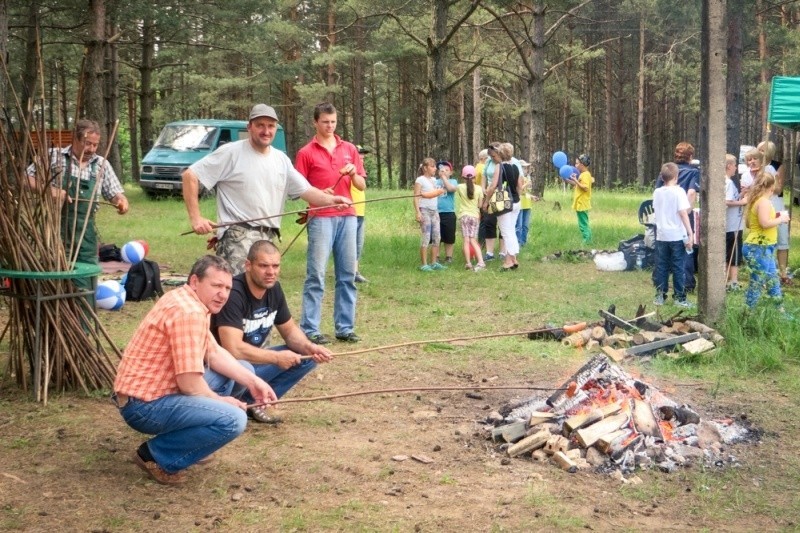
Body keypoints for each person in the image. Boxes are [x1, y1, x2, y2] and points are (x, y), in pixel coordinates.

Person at [113, 255, 276, 485]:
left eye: (227, 287)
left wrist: (254, 382)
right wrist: (223, 402)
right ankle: (156, 456)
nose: (223, 294)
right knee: (234, 419)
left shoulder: (190, 300)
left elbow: (214, 353)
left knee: (243, 370)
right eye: (216, 285)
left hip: (153, 393)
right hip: (143, 406)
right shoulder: (188, 312)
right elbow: (189, 384)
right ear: (194, 281)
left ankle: (193, 437)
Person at [182, 104, 351, 275]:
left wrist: (333, 200)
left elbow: (306, 191)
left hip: (267, 238)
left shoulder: (280, 159)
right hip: (237, 238)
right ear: (249, 127)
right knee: (236, 295)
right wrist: (196, 218)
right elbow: (190, 175)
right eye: (260, 125)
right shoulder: (231, 152)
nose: (266, 131)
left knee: (260, 296)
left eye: (270, 126)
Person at [212, 240, 333, 424]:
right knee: (247, 366)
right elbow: (233, 349)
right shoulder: (234, 293)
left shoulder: (273, 289)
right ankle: (232, 403)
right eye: (263, 266)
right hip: (225, 370)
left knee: (304, 357)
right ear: (248, 265)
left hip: (251, 365)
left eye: (275, 266)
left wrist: (310, 347)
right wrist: (276, 358)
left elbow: (290, 331)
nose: (271, 272)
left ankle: (255, 403)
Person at [294, 103, 366, 344]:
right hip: (321, 217)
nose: (330, 126)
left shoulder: (348, 149)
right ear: (315, 122)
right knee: (316, 274)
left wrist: (353, 172)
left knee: (347, 273)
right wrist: (319, 193)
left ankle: (345, 327)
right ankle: (310, 328)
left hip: (347, 216)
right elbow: (299, 188)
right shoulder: (306, 152)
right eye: (325, 121)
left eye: (333, 121)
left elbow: (361, 186)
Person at [26, 119, 129, 287]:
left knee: (87, 277)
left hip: (86, 235)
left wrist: (122, 203)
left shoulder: (102, 164)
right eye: (88, 144)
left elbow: (116, 195)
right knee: (57, 276)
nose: (92, 149)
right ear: (76, 139)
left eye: (95, 145)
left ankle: (84, 312)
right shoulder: (54, 156)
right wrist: (49, 190)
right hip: (56, 232)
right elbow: (26, 178)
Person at [654, 142, 701, 292]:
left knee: (663, 253)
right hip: (682, 214)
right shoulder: (694, 172)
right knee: (685, 250)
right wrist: (686, 210)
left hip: (664, 218)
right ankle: (686, 284)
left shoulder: (666, 171)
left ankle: (659, 283)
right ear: (691, 157)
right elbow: (692, 193)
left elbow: (657, 192)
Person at [742, 173, 791, 309]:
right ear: (772, 186)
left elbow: (753, 223)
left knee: (772, 281)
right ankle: (748, 313)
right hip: (758, 247)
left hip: (764, 247)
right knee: (757, 282)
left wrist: (776, 216)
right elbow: (764, 223)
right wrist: (781, 219)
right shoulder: (763, 202)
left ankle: (780, 311)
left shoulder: (757, 200)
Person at [652, 162, 694, 308]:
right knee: (678, 267)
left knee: (661, 266)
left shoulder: (657, 192)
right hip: (677, 235)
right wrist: (690, 232)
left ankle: (660, 296)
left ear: (662, 177)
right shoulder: (679, 192)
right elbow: (683, 212)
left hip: (662, 235)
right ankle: (680, 297)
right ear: (676, 177)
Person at [758, 141, 791, 285]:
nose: (758, 152)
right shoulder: (757, 166)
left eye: (761, 150)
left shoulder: (778, 166)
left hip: (776, 203)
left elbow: (778, 189)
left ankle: (783, 273)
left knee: (782, 238)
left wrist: (773, 179)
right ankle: (765, 271)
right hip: (762, 202)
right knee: (765, 237)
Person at [483, 142, 520, 271]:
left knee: (506, 232)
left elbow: (493, 186)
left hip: (505, 203)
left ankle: (509, 260)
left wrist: (486, 201)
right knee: (511, 231)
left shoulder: (500, 167)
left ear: (500, 154)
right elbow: (518, 186)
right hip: (516, 202)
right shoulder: (515, 166)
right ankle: (514, 258)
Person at [413, 158, 446, 272]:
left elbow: (438, 192)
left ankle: (434, 263)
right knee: (426, 237)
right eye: (432, 166)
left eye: (435, 166)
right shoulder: (420, 180)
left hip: (434, 211)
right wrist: (418, 212)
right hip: (425, 210)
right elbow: (416, 197)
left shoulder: (434, 180)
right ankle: (424, 264)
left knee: (437, 237)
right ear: (425, 168)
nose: (435, 168)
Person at [455, 165, 485, 271]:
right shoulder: (479, 189)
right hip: (475, 216)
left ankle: (468, 263)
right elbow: (480, 205)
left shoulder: (460, 187)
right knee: (473, 240)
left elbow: (450, 188)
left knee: (466, 240)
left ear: (463, 177)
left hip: (464, 216)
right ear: (475, 177)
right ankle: (480, 262)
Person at [724, 154, 747, 291]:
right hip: (732, 225)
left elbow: (731, 199)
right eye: (734, 165)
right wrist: (743, 202)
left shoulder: (727, 182)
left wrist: (740, 195)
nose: (736, 168)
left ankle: (729, 280)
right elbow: (726, 201)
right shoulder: (728, 182)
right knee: (733, 253)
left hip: (732, 224)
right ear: (728, 166)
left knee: (730, 253)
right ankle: (732, 282)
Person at [435, 160, 458, 263]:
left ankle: (449, 257)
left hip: (448, 212)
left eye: (446, 170)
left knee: (449, 236)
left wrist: (444, 178)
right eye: (441, 170)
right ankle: (436, 256)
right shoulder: (434, 182)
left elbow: (451, 189)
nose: (443, 171)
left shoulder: (453, 181)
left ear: (451, 172)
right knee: (436, 236)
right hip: (436, 212)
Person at [568, 154, 593, 245]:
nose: (575, 165)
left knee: (583, 224)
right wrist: (568, 180)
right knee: (583, 222)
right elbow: (577, 185)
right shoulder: (583, 174)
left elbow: (585, 188)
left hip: (582, 203)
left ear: (582, 165)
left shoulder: (586, 175)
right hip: (580, 203)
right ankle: (588, 240)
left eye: (577, 163)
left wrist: (576, 180)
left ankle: (587, 241)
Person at [351, 176, 368, 283]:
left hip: (360, 213)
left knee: (358, 245)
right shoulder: (347, 170)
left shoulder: (359, 175)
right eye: (360, 157)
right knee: (349, 245)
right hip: (350, 212)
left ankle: (355, 272)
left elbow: (363, 187)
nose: (362, 159)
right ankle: (348, 272)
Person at [515, 160, 534, 247]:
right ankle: (518, 243)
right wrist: (526, 184)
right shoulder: (517, 178)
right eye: (524, 167)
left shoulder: (527, 178)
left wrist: (532, 196)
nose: (526, 169)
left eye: (526, 167)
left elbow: (526, 191)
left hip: (527, 204)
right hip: (519, 204)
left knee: (525, 226)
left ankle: (523, 243)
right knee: (519, 225)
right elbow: (518, 190)